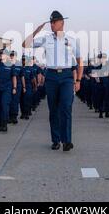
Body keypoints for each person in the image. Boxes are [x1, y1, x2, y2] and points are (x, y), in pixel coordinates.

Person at [23, 10, 83, 152]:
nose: (52, 24)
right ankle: (56, 140)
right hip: (51, 76)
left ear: (62, 23)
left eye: (54, 22)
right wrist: (37, 30)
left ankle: (67, 141)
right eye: (50, 22)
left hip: (67, 77)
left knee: (66, 108)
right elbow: (24, 44)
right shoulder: (46, 39)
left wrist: (78, 80)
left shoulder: (71, 40)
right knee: (53, 110)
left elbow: (80, 61)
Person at [0, 49, 17, 132]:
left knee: (4, 105)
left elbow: (14, 77)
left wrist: (14, 88)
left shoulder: (11, 65)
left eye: (3, 54)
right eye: (0, 54)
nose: (1, 55)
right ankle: (0, 123)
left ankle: (4, 124)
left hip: (7, 88)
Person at [9, 51, 25, 124]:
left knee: (15, 101)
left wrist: (24, 86)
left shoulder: (19, 65)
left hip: (18, 86)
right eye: (11, 55)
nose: (12, 56)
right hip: (8, 86)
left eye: (13, 55)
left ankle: (14, 117)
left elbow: (22, 76)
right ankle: (9, 116)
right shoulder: (7, 64)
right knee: (8, 101)